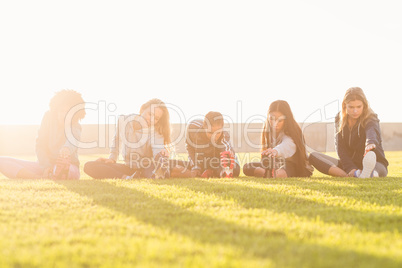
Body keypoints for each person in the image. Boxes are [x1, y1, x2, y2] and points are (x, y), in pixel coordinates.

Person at [0, 90, 85, 180]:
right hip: (43, 166)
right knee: (2, 161)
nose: (64, 115)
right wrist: (46, 167)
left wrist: (66, 149)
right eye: (62, 111)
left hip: (70, 167)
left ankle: (58, 173)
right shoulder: (48, 117)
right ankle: (40, 177)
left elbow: (72, 141)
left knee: (67, 170)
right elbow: (40, 144)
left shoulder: (76, 126)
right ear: (56, 110)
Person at [84, 98, 177, 179]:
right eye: (150, 114)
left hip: (147, 167)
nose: (152, 120)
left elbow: (158, 148)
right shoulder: (123, 121)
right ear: (142, 109)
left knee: (154, 172)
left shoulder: (155, 132)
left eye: (156, 118)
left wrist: (161, 155)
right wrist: (112, 158)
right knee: (88, 166)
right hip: (128, 167)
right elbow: (116, 140)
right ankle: (126, 177)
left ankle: (159, 173)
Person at [309, 87, 388, 178]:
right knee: (313, 156)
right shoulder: (339, 118)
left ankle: (369, 174)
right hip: (348, 165)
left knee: (377, 170)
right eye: (351, 107)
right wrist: (351, 168)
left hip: (376, 164)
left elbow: (372, 130)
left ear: (364, 105)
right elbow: (340, 148)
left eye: (359, 107)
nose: (355, 111)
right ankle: (355, 174)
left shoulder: (371, 117)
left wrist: (370, 142)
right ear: (344, 106)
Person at [243, 100, 313, 178]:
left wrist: (276, 151)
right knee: (247, 167)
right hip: (276, 163)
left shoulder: (290, 132)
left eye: (280, 120)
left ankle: (273, 174)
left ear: (286, 120)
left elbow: (287, 144)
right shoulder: (268, 132)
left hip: (295, 165)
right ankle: (267, 173)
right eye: (271, 119)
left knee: (284, 169)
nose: (275, 124)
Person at [185, 111, 240, 178]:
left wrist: (225, 168)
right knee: (183, 166)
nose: (214, 137)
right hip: (203, 161)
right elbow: (190, 147)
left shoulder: (224, 135)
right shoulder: (193, 129)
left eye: (218, 133)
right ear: (204, 126)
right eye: (210, 133)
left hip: (218, 161)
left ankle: (213, 172)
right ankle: (207, 170)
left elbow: (227, 153)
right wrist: (195, 166)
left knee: (235, 170)